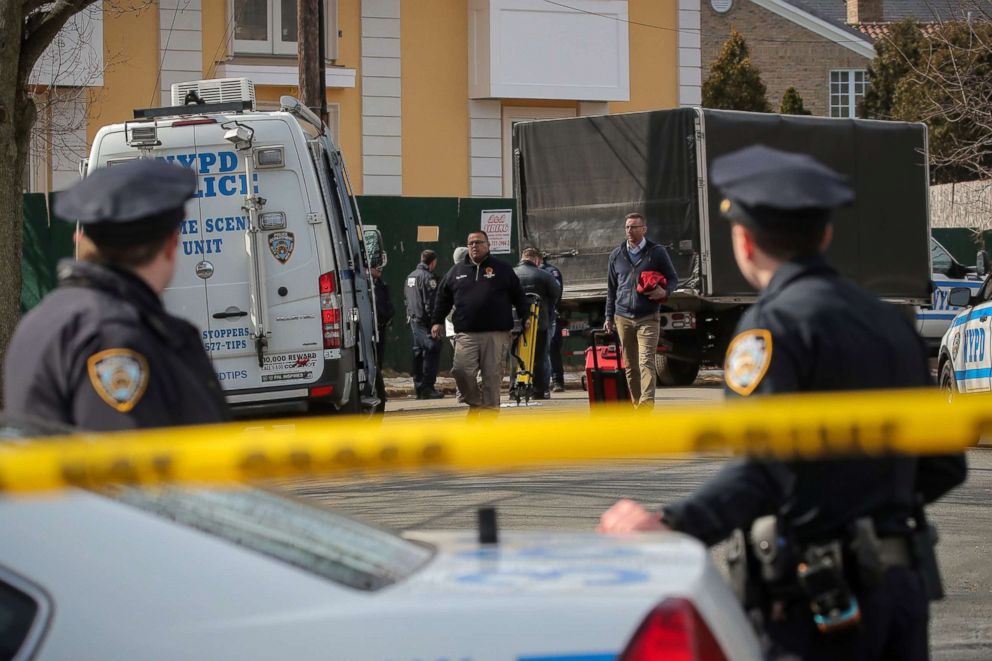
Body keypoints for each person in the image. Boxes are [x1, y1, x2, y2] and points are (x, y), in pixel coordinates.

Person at [598, 145, 967, 660]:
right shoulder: (889, 322)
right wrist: (863, 508)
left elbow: (764, 469)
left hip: (817, 600)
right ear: (826, 234)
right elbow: (946, 464)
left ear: (744, 241)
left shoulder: (772, 327)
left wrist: (672, 523)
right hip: (900, 590)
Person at [3, 159, 228, 430]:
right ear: (171, 244)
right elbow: (130, 462)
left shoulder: (43, 319)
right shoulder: (114, 335)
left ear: (81, 241)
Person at [431, 231, 529, 413]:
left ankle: (489, 415)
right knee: (461, 370)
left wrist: (526, 316)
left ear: (488, 245)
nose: (474, 246)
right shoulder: (456, 271)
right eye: (470, 243)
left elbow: (518, 295)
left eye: (478, 242)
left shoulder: (503, 269)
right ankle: (477, 402)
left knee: (492, 377)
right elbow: (443, 298)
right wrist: (436, 321)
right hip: (466, 334)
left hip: (496, 334)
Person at [604, 212, 678, 409]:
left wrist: (665, 290)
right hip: (622, 316)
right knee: (631, 365)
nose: (629, 230)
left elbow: (673, 278)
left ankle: (646, 405)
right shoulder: (616, 255)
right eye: (627, 227)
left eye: (634, 227)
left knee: (646, 361)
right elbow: (612, 289)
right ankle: (637, 405)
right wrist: (608, 316)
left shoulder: (657, 252)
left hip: (648, 316)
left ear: (644, 229)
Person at [513, 248, 561, 399]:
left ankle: (514, 390)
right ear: (537, 260)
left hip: (515, 322)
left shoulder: (511, 274)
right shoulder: (544, 275)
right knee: (540, 356)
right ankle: (540, 391)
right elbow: (556, 294)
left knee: (515, 356)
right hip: (540, 321)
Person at [403, 250, 443, 400]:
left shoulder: (410, 276)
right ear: (432, 262)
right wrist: (435, 322)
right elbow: (431, 302)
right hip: (425, 322)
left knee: (418, 353)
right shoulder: (428, 278)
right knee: (433, 349)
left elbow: (406, 298)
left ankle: (419, 387)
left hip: (414, 320)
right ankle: (428, 388)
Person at [371, 264, 395, 412]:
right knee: (372, 362)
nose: (379, 269)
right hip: (370, 330)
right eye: (375, 267)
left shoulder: (381, 284)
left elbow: (386, 304)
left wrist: (389, 315)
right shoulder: (366, 283)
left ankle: (379, 391)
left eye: (380, 267)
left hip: (381, 327)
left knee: (379, 360)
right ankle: (374, 390)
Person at [541, 255, 566, 392]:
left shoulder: (551, 272)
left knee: (552, 348)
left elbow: (556, 293)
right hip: (536, 316)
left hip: (549, 315)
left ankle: (557, 380)